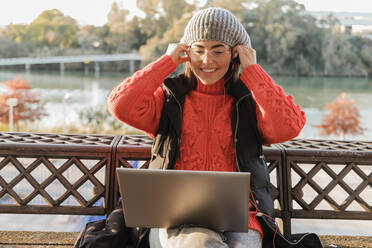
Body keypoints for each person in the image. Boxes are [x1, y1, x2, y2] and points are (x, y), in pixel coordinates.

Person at [108, 7, 323, 248]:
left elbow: (289, 127)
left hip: (243, 220)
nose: (207, 60)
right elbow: (120, 105)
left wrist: (253, 71)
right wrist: (165, 63)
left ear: (235, 54)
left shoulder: (248, 102)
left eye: (218, 51)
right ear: (187, 52)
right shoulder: (169, 100)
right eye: (198, 50)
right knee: (201, 245)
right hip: (173, 221)